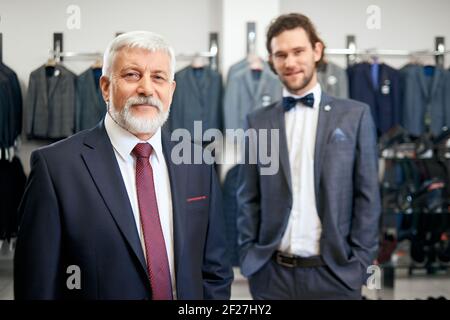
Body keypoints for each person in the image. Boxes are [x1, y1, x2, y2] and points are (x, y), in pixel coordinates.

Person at [14, 31, 233, 300]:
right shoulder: (55, 168)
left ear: (171, 91)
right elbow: (36, 285)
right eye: (132, 75)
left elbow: (215, 269)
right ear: (105, 87)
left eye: (158, 77)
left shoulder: (197, 161)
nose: (146, 89)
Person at [237, 13, 381, 300]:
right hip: (271, 277)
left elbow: (368, 196)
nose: (290, 62)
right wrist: (249, 255)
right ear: (272, 61)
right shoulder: (257, 121)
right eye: (281, 55)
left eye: (298, 51)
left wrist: (360, 263)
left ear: (317, 51)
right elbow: (247, 196)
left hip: (336, 276)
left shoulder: (355, 115)